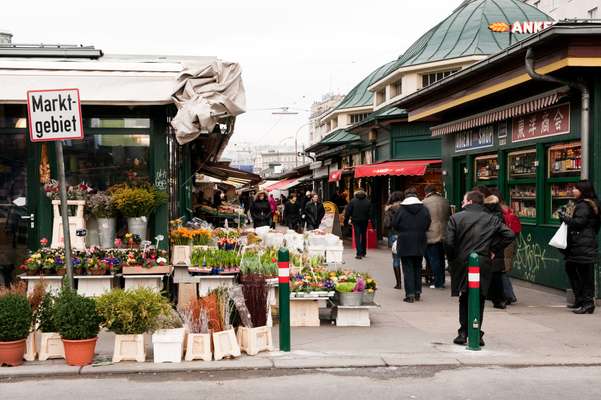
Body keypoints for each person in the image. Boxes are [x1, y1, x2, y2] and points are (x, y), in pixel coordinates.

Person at [444, 190, 514, 346]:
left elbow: (448, 242)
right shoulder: (491, 219)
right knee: (479, 296)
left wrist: (453, 257)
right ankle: (476, 331)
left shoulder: (455, 218)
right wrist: (493, 249)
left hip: (462, 262)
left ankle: (463, 332)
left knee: (465, 296)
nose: (462, 204)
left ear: (469, 202)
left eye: (463, 201)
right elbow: (509, 235)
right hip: (482, 261)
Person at [558, 180, 601, 314]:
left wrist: (563, 216)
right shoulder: (592, 204)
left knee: (583, 274)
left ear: (583, 190)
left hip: (582, 244)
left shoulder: (584, 205)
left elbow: (578, 223)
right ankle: (581, 300)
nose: (573, 191)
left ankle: (587, 303)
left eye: (576, 189)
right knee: (574, 269)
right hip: (584, 243)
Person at [392, 188, 431, 303]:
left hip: (405, 240)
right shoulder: (424, 209)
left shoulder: (401, 209)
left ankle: (410, 294)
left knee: (408, 267)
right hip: (420, 239)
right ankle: (418, 292)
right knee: (418, 267)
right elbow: (428, 223)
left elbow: (395, 224)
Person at [483, 189, 509, 310]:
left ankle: (499, 299)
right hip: (495, 249)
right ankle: (498, 298)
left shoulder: (492, 218)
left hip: (492, 249)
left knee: (495, 276)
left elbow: (507, 235)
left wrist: (494, 248)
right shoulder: (498, 216)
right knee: (496, 275)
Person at [423, 185, 450, 289]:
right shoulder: (445, 201)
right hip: (444, 233)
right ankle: (441, 280)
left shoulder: (425, 202)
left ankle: (438, 282)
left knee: (434, 259)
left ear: (426, 192)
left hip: (431, 234)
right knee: (442, 259)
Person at [499, 193, 521, 305]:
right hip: (510, 243)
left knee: (502, 270)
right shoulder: (511, 213)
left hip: (504, 244)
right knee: (503, 270)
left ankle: (508, 295)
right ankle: (507, 294)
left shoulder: (503, 215)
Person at [383, 191, 404, 289]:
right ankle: (408, 281)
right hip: (405, 235)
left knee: (396, 259)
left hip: (394, 235)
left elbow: (386, 225)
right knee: (406, 260)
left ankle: (398, 283)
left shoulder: (389, 210)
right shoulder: (406, 208)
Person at [344, 189, 373, 259]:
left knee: (357, 236)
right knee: (363, 236)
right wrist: (372, 223)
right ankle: (363, 252)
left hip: (356, 221)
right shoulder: (368, 202)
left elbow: (348, 211)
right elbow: (371, 213)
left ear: (356, 194)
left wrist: (346, 220)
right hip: (364, 221)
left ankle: (359, 253)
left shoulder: (353, 201)